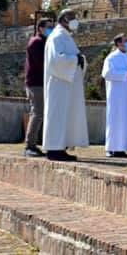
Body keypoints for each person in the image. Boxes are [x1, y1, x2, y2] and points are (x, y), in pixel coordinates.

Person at [43, 9, 89, 161]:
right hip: (58, 84)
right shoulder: (57, 36)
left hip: (65, 84)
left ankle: (60, 147)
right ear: (63, 19)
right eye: (72, 17)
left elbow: (73, 57)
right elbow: (55, 60)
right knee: (57, 114)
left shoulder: (65, 37)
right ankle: (54, 148)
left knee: (64, 116)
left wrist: (79, 59)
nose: (75, 20)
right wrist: (76, 59)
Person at [101, 33, 127, 159]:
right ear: (118, 43)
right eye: (126, 40)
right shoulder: (111, 58)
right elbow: (107, 73)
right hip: (116, 95)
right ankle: (112, 148)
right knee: (115, 120)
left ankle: (122, 148)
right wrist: (125, 74)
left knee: (126, 121)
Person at [23, 18, 50, 157]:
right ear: (40, 28)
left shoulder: (44, 42)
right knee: (37, 113)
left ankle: (33, 144)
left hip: (41, 82)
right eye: (48, 27)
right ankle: (29, 145)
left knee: (40, 113)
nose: (51, 29)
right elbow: (42, 63)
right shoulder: (36, 42)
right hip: (36, 83)